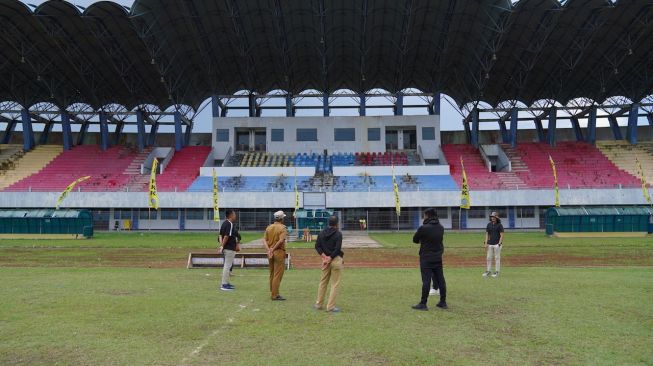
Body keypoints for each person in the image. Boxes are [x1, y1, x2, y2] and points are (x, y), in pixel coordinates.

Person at [411, 208, 447, 311]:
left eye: (424, 215)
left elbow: (415, 240)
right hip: (438, 257)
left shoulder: (423, 228)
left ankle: (423, 303)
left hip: (426, 258)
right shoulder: (441, 227)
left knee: (426, 281)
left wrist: (423, 238)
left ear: (428, 216)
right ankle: (443, 302)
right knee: (441, 280)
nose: (424, 217)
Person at [314, 215, 344, 313]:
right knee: (334, 284)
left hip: (325, 260)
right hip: (335, 260)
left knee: (323, 282)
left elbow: (317, 246)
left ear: (329, 223)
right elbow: (337, 249)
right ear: (337, 223)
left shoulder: (322, 233)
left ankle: (318, 304)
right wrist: (330, 258)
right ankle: (330, 306)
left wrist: (324, 258)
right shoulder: (338, 234)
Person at [264, 210, 288, 301]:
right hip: (278, 252)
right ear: (281, 219)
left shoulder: (269, 227)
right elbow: (281, 240)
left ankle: (273, 291)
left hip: (270, 252)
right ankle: (275, 294)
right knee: (278, 274)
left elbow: (264, 240)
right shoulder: (283, 228)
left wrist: (269, 250)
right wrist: (273, 249)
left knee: (272, 273)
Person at [218, 209, 240, 291]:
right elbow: (226, 236)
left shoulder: (224, 223)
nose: (235, 216)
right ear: (231, 215)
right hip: (229, 248)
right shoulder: (229, 224)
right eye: (234, 214)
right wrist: (222, 246)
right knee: (227, 266)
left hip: (227, 248)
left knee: (228, 266)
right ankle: (224, 284)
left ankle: (226, 283)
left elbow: (220, 235)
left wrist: (221, 246)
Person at [483, 211, 504, 278]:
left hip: (497, 244)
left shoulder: (499, 225)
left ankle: (497, 272)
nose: (493, 218)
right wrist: (486, 243)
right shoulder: (489, 225)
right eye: (492, 217)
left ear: (497, 218)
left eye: (494, 217)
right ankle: (488, 271)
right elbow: (487, 235)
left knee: (497, 258)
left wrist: (499, 243)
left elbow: (502, 235)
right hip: (490, 244)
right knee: (488, 258)